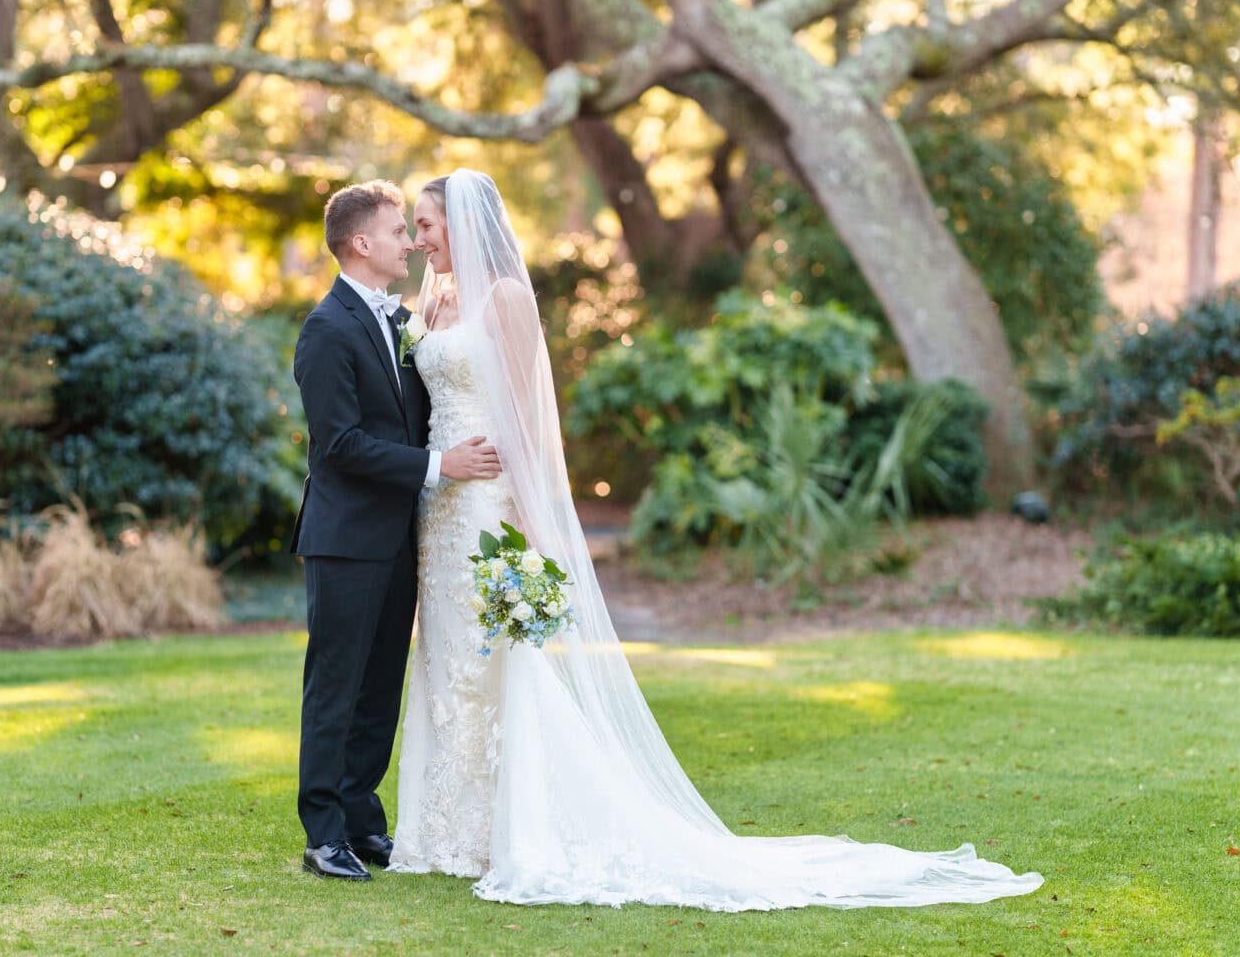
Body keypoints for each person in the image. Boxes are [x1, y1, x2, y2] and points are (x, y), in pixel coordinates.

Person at [388, 168, 1044, 909]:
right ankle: (443, 833)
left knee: (502, 668)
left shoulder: (506, 299)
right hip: (438, 513)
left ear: (465, 227)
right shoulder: (433, 301)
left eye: (427, 225)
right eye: (412, 225)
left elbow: (529, 418)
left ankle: (512, 832)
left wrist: (537, 536)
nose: (418, 239)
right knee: (446, 664)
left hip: (488, 509)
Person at [290, 180, 499, 881]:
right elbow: (340, 446)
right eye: (396, 230)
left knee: (380, 686)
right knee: (336, 685)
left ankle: (361, 821)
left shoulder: (406, 319)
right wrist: (441, 464)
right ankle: (323, 834)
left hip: (405, 537)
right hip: (345, 538)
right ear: (361, 243)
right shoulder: (326, 329)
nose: (410, 242)